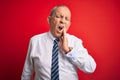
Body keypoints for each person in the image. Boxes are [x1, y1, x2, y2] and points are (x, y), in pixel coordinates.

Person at [21, 5, 96, 80]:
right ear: (49, 20)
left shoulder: (75, 42)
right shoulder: (35, 41)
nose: (62, 21)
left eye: (66, 19)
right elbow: (27, 72)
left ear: (69, 24)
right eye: (58, 16)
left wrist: (68, 51)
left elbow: (90, 68)